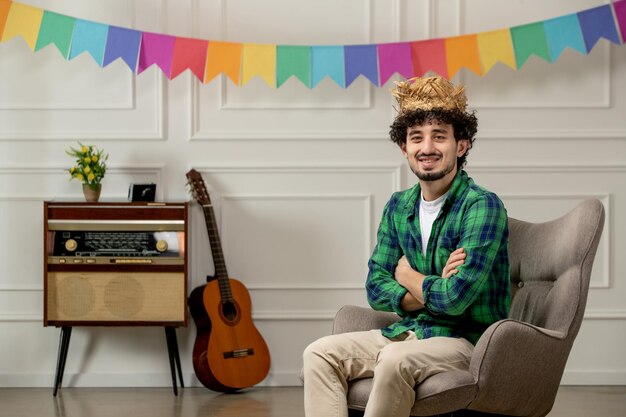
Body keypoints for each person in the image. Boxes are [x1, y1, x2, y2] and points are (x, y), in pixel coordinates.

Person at [302, 76, 510, 417]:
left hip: (465, 340)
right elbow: (375, 288)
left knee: (395, 360)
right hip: (409, 330)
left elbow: (456, 299)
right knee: (318, 353)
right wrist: (430, 286)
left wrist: (407, 274)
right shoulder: (398, 206)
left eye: (439, 136)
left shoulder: (481, 206)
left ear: (461, 145)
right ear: (404, 148)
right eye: (416, 137)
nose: (426, 147)